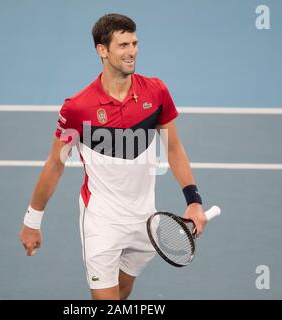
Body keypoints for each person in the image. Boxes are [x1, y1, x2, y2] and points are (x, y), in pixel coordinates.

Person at [19, 13, 207, 300]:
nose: (132, 51)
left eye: (134, 43)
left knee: (124, 289)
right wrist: (32, 220)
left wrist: (193, 201)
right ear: (102, 50)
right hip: (102, 222)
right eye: (123, 45)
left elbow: (173, 148)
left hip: (145, 219)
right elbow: (56, 164)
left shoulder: (156, 92)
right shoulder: (78, 109)